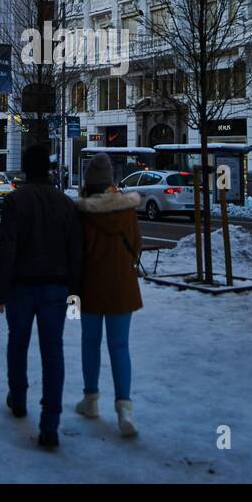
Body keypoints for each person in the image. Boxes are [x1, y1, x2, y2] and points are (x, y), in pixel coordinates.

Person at [0, 143, 83, 450]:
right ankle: (50, 423)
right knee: (53, 353)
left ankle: (18, 398)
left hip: (20, 287)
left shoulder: (15, 201)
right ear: (49, 169)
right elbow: (76, 254)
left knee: (17, 344)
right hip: (56, 289)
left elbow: (6, 249)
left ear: (26, 170)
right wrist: (75, 294)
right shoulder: (65, 204)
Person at [71, 153, 142, 438]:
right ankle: (124, 410)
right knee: (120, 346)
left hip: (90, 288)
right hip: (122, 287)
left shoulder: (82, 213)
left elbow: (75, 255)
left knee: (90, 343)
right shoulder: (127, 210)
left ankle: (91, 401)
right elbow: (136, 247)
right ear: (111, 181)